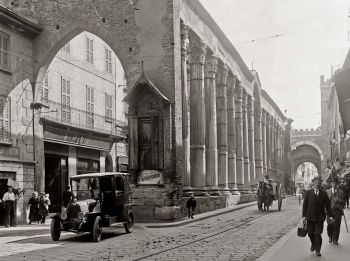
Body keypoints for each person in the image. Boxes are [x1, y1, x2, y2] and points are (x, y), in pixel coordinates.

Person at [302, 176, 334, 257]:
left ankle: (317, 250)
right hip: (310, 217)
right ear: (313, 183)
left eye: (318, 183)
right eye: (315, 182)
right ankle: (313, 244)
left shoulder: (324, 193)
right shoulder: (308, 193)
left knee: (318, 234)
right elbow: (304, 205)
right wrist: (304, 216)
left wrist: (330, 216)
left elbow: (328, 206)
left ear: (320, 184)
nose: (317, 184)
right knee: (310, 233)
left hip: (320, 218)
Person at [326, 177, 345, 245]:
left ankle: (335, 239)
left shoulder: (341, 192)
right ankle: (330, 236)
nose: (334, 184)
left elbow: (344, 202)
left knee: (337, 226)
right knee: (330, 225)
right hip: (329, 211)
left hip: (337, 211)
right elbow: (325, 202)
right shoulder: (327, 191)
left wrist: (339, 200)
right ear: (331, 184)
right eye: (333, 183)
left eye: (335, 183)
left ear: (337, 184)